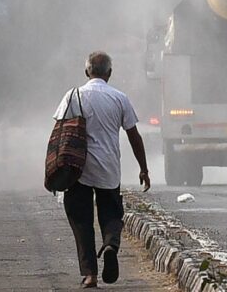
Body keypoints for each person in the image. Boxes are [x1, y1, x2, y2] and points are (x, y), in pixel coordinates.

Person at [53, 51, 150, 288]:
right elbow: (134, 136)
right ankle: (110, 244)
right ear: (109, 73)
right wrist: (143, 169)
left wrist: (54, 170)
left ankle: (90, 274)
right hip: (108, 167)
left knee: (80, 218)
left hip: (79, 168)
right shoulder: (119, 98)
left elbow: (59, 132)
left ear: (87, 71)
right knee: (112, 213)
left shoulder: (73, 96)